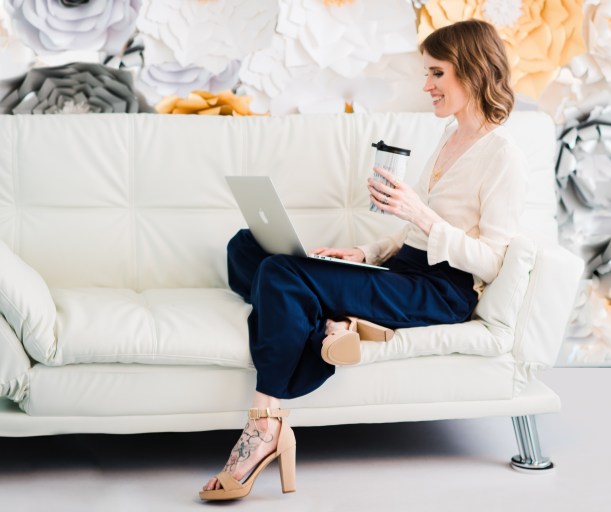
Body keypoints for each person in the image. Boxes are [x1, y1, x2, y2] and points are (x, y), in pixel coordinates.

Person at [199, 19, 528, 501]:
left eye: (437, 74)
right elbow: (413, 233)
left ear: (473, 71)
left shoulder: (503, 156)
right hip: (403, 270)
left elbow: (493, 263)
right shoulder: (451, 137)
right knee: (244, 247)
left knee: (278, 273)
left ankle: (265, 428)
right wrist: (367, 253)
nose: (427, 86)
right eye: (427, 74)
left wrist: (422, 213)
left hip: (441, 291)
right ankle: (332, 321)